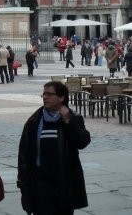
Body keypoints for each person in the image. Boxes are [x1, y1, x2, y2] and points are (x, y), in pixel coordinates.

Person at [17, 81, 91, 215]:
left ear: (61, 97)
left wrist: (69, 122)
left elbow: (82, 142)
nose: (45, 97)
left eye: (50, 94)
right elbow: (24, 152)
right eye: (43, 94)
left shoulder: (74, 117)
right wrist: (23, 180)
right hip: (41, 182)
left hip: (64, 180)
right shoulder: (34, 121)